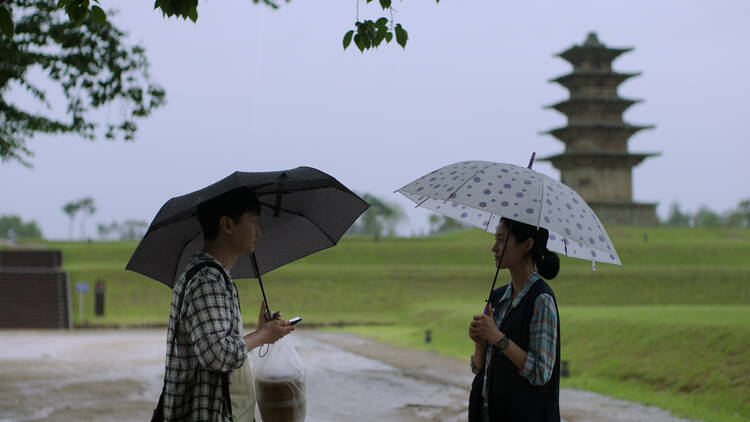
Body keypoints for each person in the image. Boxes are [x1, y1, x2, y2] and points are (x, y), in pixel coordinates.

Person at [161, 187, 295, 421]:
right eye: (253, 222)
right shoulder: (208, 281)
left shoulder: (215, 277)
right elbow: (217, 355)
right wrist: (263, 336)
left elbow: (219, 344)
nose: (259, 232)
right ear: (227, 225)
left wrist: (261, 331)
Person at [468, 217, 561, 422]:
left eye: (502, 240)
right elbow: (479, 368)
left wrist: (497, 337)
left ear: (527, 245)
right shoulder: (498, 297)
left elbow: (540, 372)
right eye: (495, 239)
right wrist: (480, 344)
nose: (494, 248)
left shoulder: (541, 300)